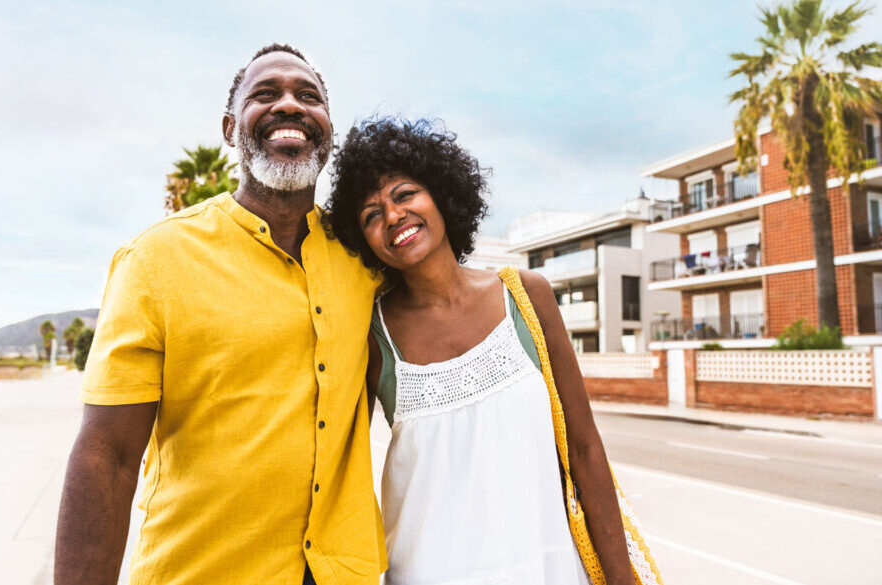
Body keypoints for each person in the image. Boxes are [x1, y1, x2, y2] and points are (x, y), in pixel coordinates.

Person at [54, 44, 386, 585]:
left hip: (344, 571)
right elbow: (107, 456)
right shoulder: (156, 260)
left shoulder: (365, 260)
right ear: (231, 129)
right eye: (265, 93)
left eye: (309, 97)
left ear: (328, 130)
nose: (290, 105)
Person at [324, 117, 634, 585]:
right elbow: (340, 471)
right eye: (371, 215)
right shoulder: (371, 334)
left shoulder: (526, 296)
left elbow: (585, 448)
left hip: (545, 567)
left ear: (441, 194)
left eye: (405, 194)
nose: (392, 216)